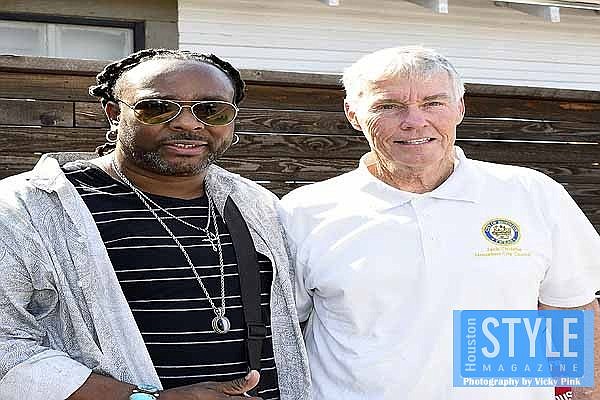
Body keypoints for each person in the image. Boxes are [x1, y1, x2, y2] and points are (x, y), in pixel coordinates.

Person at [278, 46, 600, 399]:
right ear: (353, 113)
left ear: (460, 107)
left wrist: (587, 395)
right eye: (388, 106)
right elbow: (282, 331)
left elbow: (571, 308)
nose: (414, 121)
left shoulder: (531, 194)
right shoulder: (303, 212)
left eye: (433, 103)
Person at [0, 49, 310, 400]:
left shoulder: (258, 206)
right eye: (158, 107)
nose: (189, 124)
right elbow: (6, 346)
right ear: (114, 113)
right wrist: (144, 398)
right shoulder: (27, 209)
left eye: (212, 110)